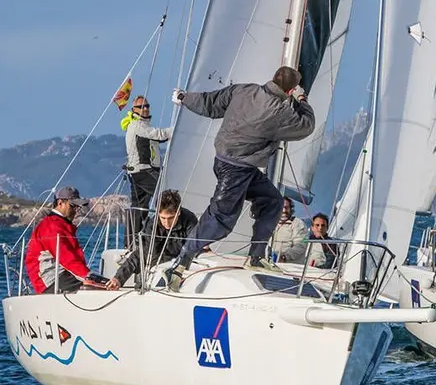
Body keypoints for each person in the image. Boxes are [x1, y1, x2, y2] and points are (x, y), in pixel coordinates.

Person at [165, 66, 315, 286]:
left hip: (232, 165)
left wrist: (184, 98)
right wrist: (303, 100)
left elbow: (210, 103)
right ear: (290, 90)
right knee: (220, 219)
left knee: (272, 201)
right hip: (235, 171)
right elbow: (306, 126)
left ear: (272, 78)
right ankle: (181, 263)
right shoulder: (280, 113)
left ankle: (256, 257)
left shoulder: (243, 90)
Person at [106, 190, 197, 290]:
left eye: (171, 218)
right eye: (163, 218)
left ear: (178, 212)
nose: (167, 223)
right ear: (158, 213)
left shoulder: (190, 221)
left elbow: (193, 247)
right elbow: (142, 254)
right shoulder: (152, 225)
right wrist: (118, 279)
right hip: (157, 269)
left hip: (182, 266)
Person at [24, 187, 96, 294]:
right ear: (60, 203)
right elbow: (66, 258)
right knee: (100, 288)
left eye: (77, 206)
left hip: (62, 276)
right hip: (51, 281)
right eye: (73, 206)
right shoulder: (52, 226)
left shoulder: (59, 224)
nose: (76, 210)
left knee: (102, 285)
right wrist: (88, 276)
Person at [121, 95, 173, 243]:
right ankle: (168, 234)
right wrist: (180, 129)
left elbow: (157, 137)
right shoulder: (137, 125)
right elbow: (159, 135)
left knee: (139, 206)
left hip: (137, 172)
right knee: (167, 195)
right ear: (133, 110)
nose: (145, 109)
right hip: (143, 171)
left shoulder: (143, 125)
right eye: (141, 107)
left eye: (147, 106)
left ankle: (130, 242)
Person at [271, 197, 308, 263]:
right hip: (271, 263)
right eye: (281, 207)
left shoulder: (298, 223)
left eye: (286, 207)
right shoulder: (272, 222)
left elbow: (301, 245)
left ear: (291, 209)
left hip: (289, 267)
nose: (284, 210)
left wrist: (284, 257)